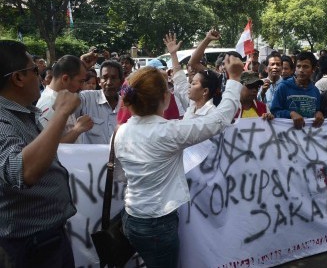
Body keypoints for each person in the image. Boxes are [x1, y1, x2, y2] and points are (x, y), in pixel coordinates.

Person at [114, 54, 243, 268]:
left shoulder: (121, 131)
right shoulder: (168, 132)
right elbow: (219, 120)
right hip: (156, 224)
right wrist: (235, 79)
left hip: (130, 217)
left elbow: (121, 176)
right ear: (165, 97)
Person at [0, 40, 81, 267]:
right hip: (28, 245)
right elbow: (23, 171)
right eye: (35, 70)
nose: (41, 76)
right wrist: (62, 113)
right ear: (18, 78)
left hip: (44, 240)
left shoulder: (23, 112)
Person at [36, 55, 94, 143]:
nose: (82, 87)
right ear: (65, 79)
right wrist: (77, 129)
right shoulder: (49, 104)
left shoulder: (60, 98)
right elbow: (47, 147)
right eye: (80, 81)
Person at [270, 51, 324, 129]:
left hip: (308, 136)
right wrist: (290, 114)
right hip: (286, 135)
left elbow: (317, 110)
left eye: (305, 67)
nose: (301, 70)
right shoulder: (284, 87)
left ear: (313, 69)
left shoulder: (315, 91)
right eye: (298, 66)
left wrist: (319, 113)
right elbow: (274, 111)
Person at [74, 61, 123, 144]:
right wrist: (83, 66)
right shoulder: (86, 98)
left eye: (114, 78)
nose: (109, 82)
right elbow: (67, 99)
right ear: (99, 81)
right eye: (105, 78)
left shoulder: (127, 106)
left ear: (121, 81)